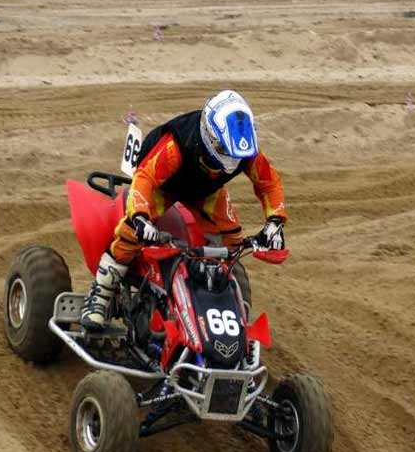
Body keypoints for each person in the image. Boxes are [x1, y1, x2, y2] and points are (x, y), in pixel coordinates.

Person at [81, 90, 286, 330]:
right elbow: (145, 178)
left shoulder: (244, 149)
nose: (232, 161)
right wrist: (139, 217)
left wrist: (275, 222)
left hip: (206, 191)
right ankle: (100, 294)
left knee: (232, 244)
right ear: (211, 137)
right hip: (164, 185)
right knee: (132, 232)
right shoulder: (176, 145)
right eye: (224, 150)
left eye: (236, 153)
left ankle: (228, 305)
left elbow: (268, 181)